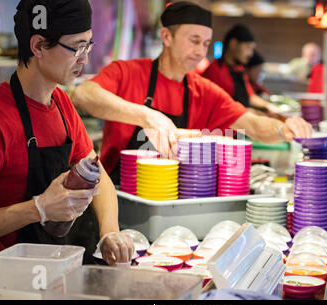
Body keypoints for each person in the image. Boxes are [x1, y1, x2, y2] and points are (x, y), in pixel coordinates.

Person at [0, 0, 134, 287]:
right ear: (39, 46)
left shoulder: (61, 103)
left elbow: (97, 172)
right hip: (9, 283)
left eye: (88, 45)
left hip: (60, 272)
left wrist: (110, 231)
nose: (85, 59)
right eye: (77, 47)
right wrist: (38, 208)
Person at [72, 1, 312, 185]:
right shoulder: (128, 72)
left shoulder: (205, 92)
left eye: (206, 44)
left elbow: (254, 125)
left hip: (179, 199)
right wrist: (146, 116)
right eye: (194, 41)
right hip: (117, 196)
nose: (200, 51)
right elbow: (83, 95)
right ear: (167, 36)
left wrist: (283, 129)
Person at [201, 24, 278, 114]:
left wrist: (268, 105)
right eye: (248, 47)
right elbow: (221, 108)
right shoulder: (214, 71)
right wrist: (252, 113)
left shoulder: (239, 69)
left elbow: (250, 96)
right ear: (233, 44)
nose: (251, 54)